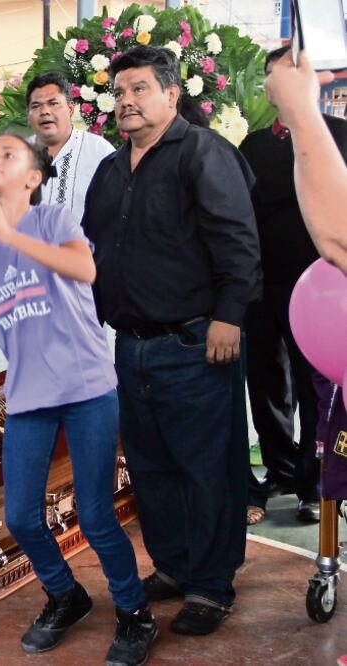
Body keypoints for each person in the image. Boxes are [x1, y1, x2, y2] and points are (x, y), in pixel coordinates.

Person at [0, 133, 156, 666]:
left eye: (7, 154)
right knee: (20, 517)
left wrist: (6, 233)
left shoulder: (53, 220)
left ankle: (135, 612)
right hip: (29, 397)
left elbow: (85, 270)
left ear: (33, 178)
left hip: (88, 389)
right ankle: (66, 595)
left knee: (95, 517)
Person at [82, 46, 261, 636]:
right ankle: (176, 566)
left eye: (138, 89)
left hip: (195, 342)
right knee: (151, 468)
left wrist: (230, 315)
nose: (126, 102)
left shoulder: (205, 154)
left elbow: (237, 241)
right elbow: (90, 251)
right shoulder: (111, 170)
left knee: (207, 467)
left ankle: (211, 584)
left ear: (171, 93)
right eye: (118, 92)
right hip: (128, 346)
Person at [240, 46, 347, 525]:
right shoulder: (254, 144)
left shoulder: (338, 135)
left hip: (321, 291)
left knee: (315, 387)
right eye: (272, 74)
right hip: (263, 281)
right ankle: (280, 469)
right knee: (265, 381)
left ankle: (313, 479)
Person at [265, 50, 347, 275]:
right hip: (272, 266)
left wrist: (300, 108)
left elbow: (339, 239)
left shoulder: (339, 132)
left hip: (322, 270)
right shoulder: (254, 143)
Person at [26, 72, 115, 215]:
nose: (45, 111)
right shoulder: (15, 153)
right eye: (36, 106)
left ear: (70, 108)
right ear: (28, 114)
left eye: (53, 103)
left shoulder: (99, 151)